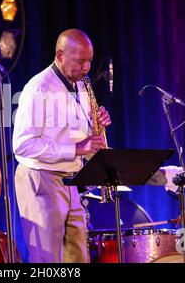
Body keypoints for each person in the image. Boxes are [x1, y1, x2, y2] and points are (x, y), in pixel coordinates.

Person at [12, 29, 111, 263]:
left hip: (70, 180)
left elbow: (77, 135)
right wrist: (77, 148)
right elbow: (23, 145)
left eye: (89, 61)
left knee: (77, 257)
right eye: (81, 61)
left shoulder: (82, 86)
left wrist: (96, 127)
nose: (87, 68)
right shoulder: (39, 88)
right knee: (47, 261)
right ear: (60, 55)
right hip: (40, 178)